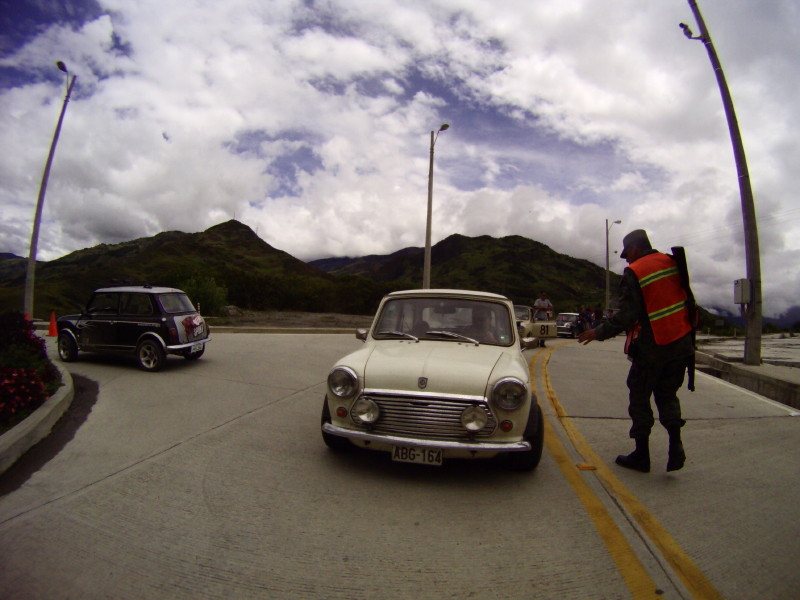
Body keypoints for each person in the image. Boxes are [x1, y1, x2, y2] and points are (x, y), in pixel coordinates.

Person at [577, 229, 695, 473]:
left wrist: (598, 332)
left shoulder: (636, 270)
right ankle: (676, 446)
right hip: (682, 343)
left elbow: (628, 315)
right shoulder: (671, 262)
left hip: (654, 347)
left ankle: (642, 455)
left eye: (626, 253)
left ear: (634, 248)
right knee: (668, 395)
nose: (626, 259)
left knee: (639, 397)